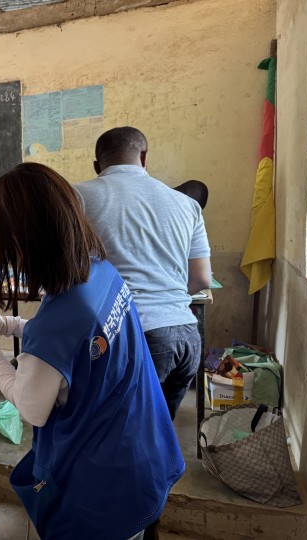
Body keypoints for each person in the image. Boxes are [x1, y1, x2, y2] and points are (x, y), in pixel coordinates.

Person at [0, 163, 185, 540]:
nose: (4, 255)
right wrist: (0, 323)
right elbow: (73, 342)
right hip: (142, 448)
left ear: (24, 242)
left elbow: (31, 408)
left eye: (3, 244)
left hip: (104, 482)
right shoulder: (99, 272)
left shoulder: (60, 319)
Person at [75, 127, 212, 421]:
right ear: (145, 157)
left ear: (97, 166)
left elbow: (70, 271)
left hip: (132, 334)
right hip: (187, 336)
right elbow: (202, 278)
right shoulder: (187, 205)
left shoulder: (78, 197)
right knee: (158, 432)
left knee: (123, 434)